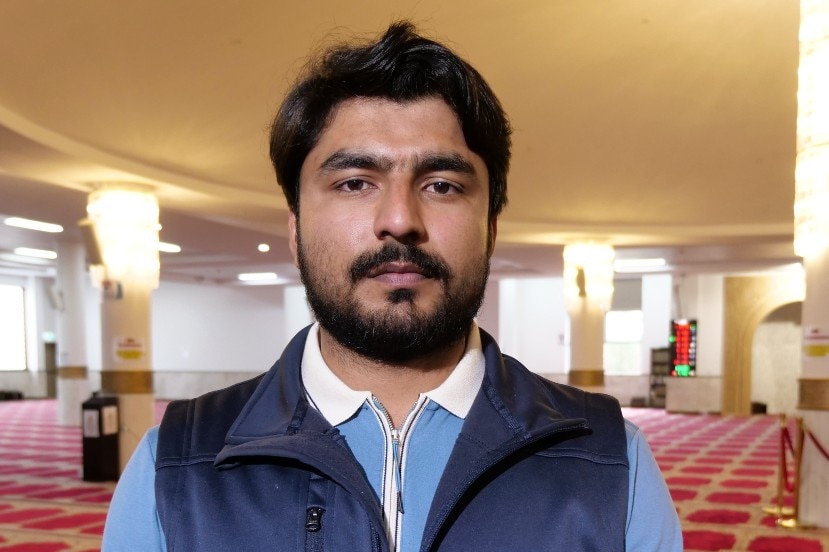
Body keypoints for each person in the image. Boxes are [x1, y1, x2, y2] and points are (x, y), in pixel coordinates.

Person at [103, 21, 682, 551]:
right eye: (355, 182)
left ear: (492, 227)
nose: (400, 218)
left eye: (443, 185)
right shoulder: (175, 467)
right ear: (295, 226)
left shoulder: (613, 463)